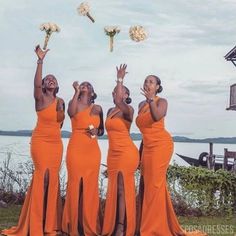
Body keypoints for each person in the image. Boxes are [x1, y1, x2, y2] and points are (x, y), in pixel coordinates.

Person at [1, 45, 65, 236]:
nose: (50, 80)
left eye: (53, 78)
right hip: (41, 141)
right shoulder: (40, 98)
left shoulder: (61, 101)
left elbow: (60, 124)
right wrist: (40, 61)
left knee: (52, 179)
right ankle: (35, 222)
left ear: (57, 85)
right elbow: (36, 84)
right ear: (44, 86)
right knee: (42, 177)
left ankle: (49, 223)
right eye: (47, 79)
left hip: (56, 143)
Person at [136, 75, 206, 236]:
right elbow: (144, 132)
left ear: (158, 87)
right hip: (147, 148)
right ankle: (158, 225)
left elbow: (156, 116)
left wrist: (151, 100)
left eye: (151, 81)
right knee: (152, 187)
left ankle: (149, 229)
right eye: (145, 80)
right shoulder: (140, 104)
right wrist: (140, 155)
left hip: (161, 145)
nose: (147, 83)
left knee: (154, 186)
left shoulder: (162, 101)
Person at [62, 81, 104, 236]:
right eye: (83, 85)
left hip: (92, 149)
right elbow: (71, 113)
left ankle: (88, 223)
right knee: (75, 184)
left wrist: (93, 130)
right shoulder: (74, 103)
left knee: (90, 186)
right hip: (76, 147)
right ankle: (73, 224)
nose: (85, 85)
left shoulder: (98, 108)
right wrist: (76, 92)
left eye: (88, 85)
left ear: (92, 92)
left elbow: (100, 132)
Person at [102, 64, 139, 236]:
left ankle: (121, 226)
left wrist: (120, 78)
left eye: (120, 91)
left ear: (126, 96)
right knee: (115, 189)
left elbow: (119, 101)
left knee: (123, 189)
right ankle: (112, 221)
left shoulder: (128, 110)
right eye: (115, 91)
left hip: (126, 152)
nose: (116, 94)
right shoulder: (110, 111)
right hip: (113, 154)